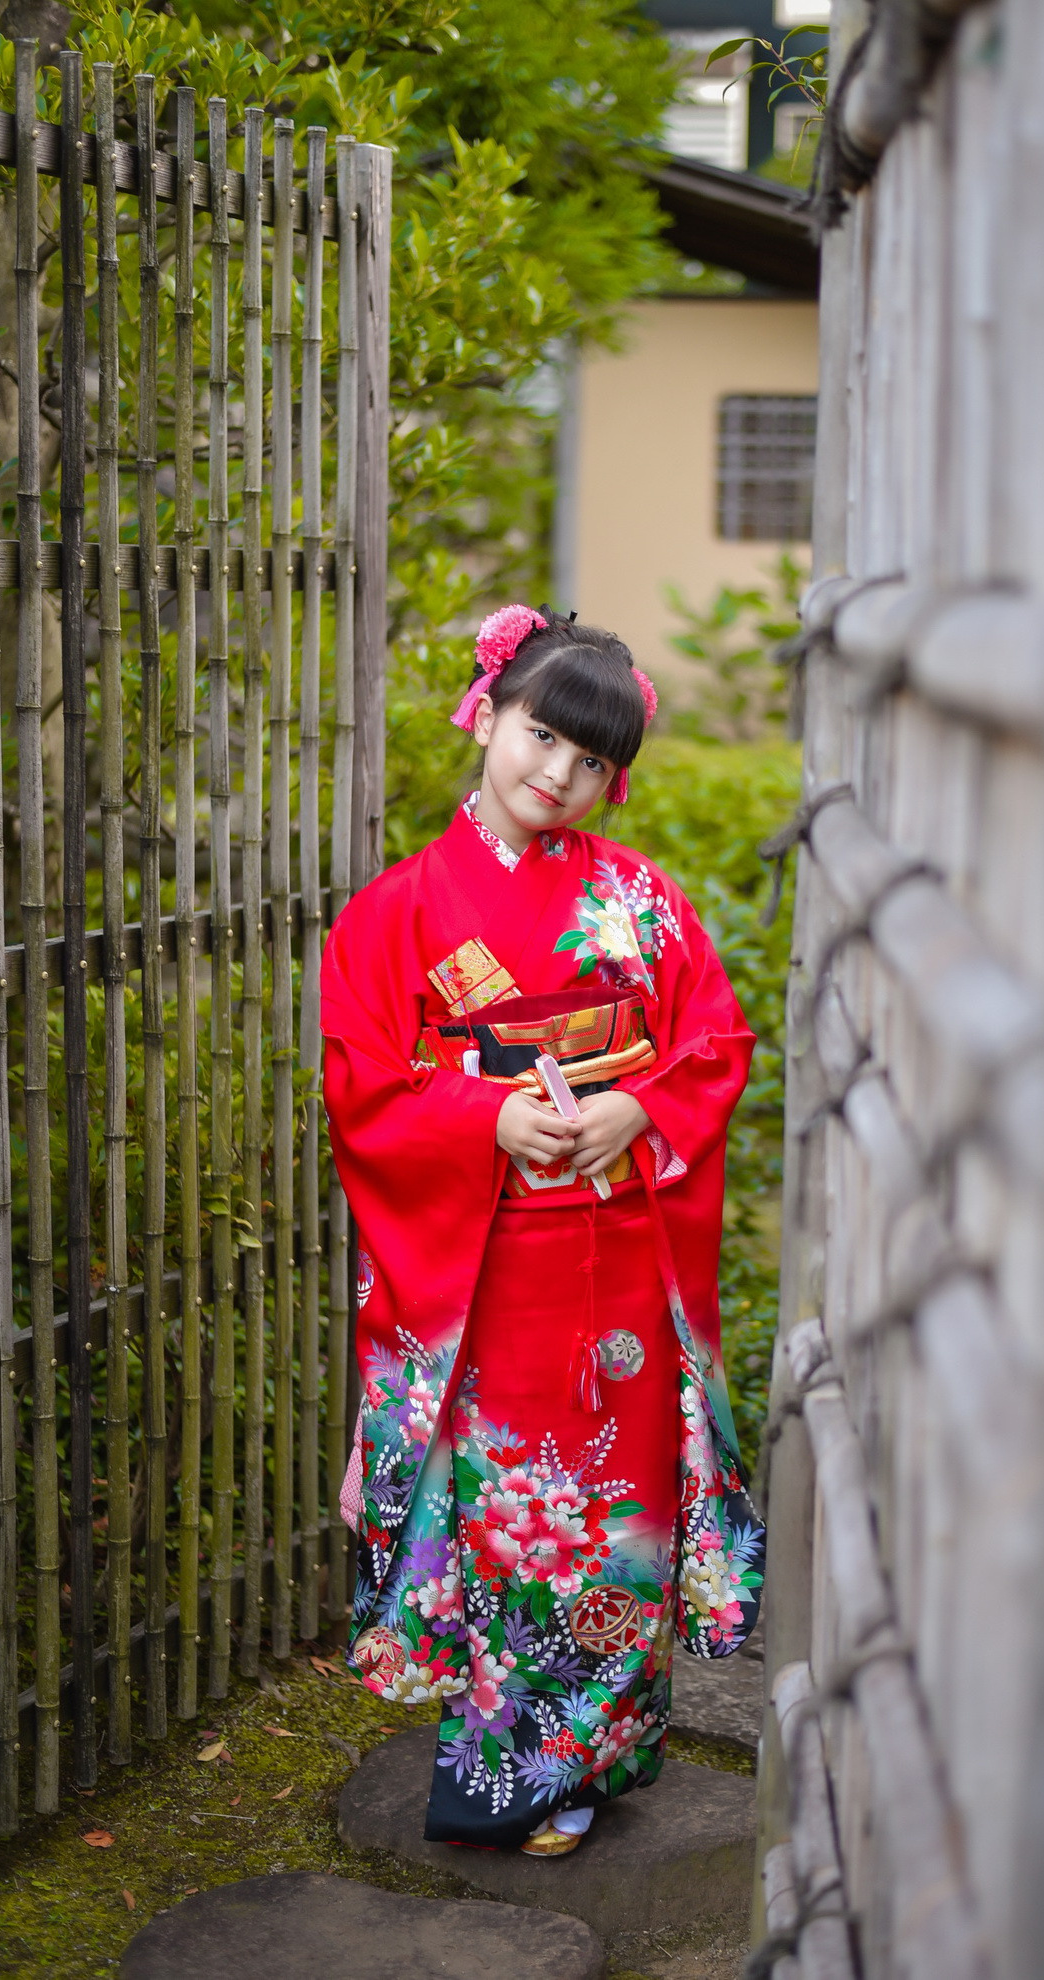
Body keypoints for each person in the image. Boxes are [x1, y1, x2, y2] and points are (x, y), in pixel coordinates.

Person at [322, 605, 765, 1857]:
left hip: (620, 1257)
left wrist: (636, 1101)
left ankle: (594, 1756)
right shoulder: (398, 913)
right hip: (494, 1270)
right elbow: (362, 1079)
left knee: (619, 1511)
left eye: (590, 763)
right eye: (539, 737)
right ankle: (507, 1757)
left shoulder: (640, 902)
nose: (557, 776)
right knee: (514, 1509)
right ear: (487, 713)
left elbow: (714, 1045)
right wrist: (482, 1121)